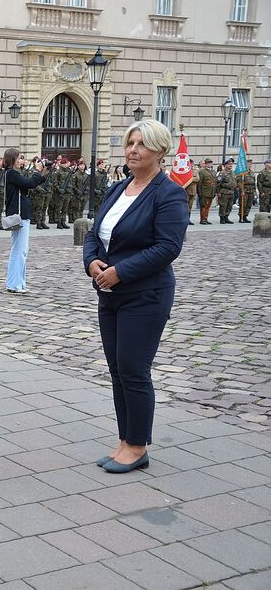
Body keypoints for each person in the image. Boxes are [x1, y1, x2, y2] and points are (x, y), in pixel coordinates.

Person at [83, 119, 188, 474]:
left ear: (160, 151)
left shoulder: (168, 193)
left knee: (133, 369)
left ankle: (138, 446)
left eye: (141, 144)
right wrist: (91, 262)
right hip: (109, 293)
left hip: (145, 294)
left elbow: (167, 248)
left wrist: (121, 271)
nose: (133, 150)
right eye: (130, 143)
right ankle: (125, 439)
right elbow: (94, 233)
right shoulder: (118, 188)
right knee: (117, 370)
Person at [3, 149, 46, 293]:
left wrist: (41, 172)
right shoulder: (11, 173)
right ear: (12, 159)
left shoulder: (14, 174)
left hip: (22, 214)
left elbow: (30, 183)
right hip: (19, 214)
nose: (21, 161)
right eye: (19, 158)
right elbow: (30, 183)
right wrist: (37, 171)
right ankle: (14, 284)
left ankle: (19, 282)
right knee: (19, 250)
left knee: (22, 250)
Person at [196, 158, 217, 224]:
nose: (209, 164)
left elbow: (215, 181)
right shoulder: (202, 172)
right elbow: (199, 183)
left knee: (208, 206)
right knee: (203, 206)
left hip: (211, 191)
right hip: (204, 191)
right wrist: (199, 192)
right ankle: (202, 219)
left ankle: (206, 218)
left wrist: (215, 191)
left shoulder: (213, 171)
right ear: (205, 164)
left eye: (210, 163)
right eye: (208, 163)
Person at [216, 158, 237, 224]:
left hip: (231, 192)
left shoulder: (232, 173)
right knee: (223, 205)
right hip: (224, 192)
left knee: (229, 206)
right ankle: (222, 218)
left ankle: (226, 217)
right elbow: (218, 183)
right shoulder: (222, 173)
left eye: (231, 164)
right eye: (229, 164)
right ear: (225, 165)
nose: (231, 165)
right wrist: (218, 192)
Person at [236, 158, 256, 223]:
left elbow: (254, 182)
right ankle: (241, 217)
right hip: (244, 190)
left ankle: (245, 216)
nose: (250, 165)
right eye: (248, 164)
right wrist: (242, 190)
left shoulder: (252, 172)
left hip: (251, 190)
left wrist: (254, 191)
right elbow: (239, 182)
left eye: (251, 164)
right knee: (243, 204)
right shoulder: (242, 172)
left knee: (249, 204)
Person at [183, 159, 199, 225]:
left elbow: (197, 179)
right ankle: (184, 219)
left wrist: (191, 179)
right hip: (186, 190)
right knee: (185, 206)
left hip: (193, 190)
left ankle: (188, 219)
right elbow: (185, 179)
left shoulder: (195, 170)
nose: (192, 165)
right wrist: (192, 179)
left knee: (190, 206)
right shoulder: (185, 171)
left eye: (192, 163)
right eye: (190, 163)